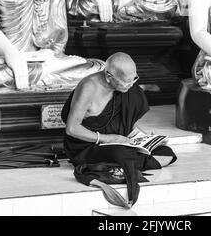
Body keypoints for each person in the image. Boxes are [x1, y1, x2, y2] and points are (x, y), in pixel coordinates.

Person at [61, 52, 176, 207]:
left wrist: (144, 138)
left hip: (117, 142)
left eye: (134, 78)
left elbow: (125, 124)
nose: (131, 84)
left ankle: (118, 164)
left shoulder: (127, 89)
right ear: (109, 76)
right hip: (87, 146)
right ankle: (120, 162)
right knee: (120, 153)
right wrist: (110, 138)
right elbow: (72, 128)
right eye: (126, 81)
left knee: (167, 153)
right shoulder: (89, 87)